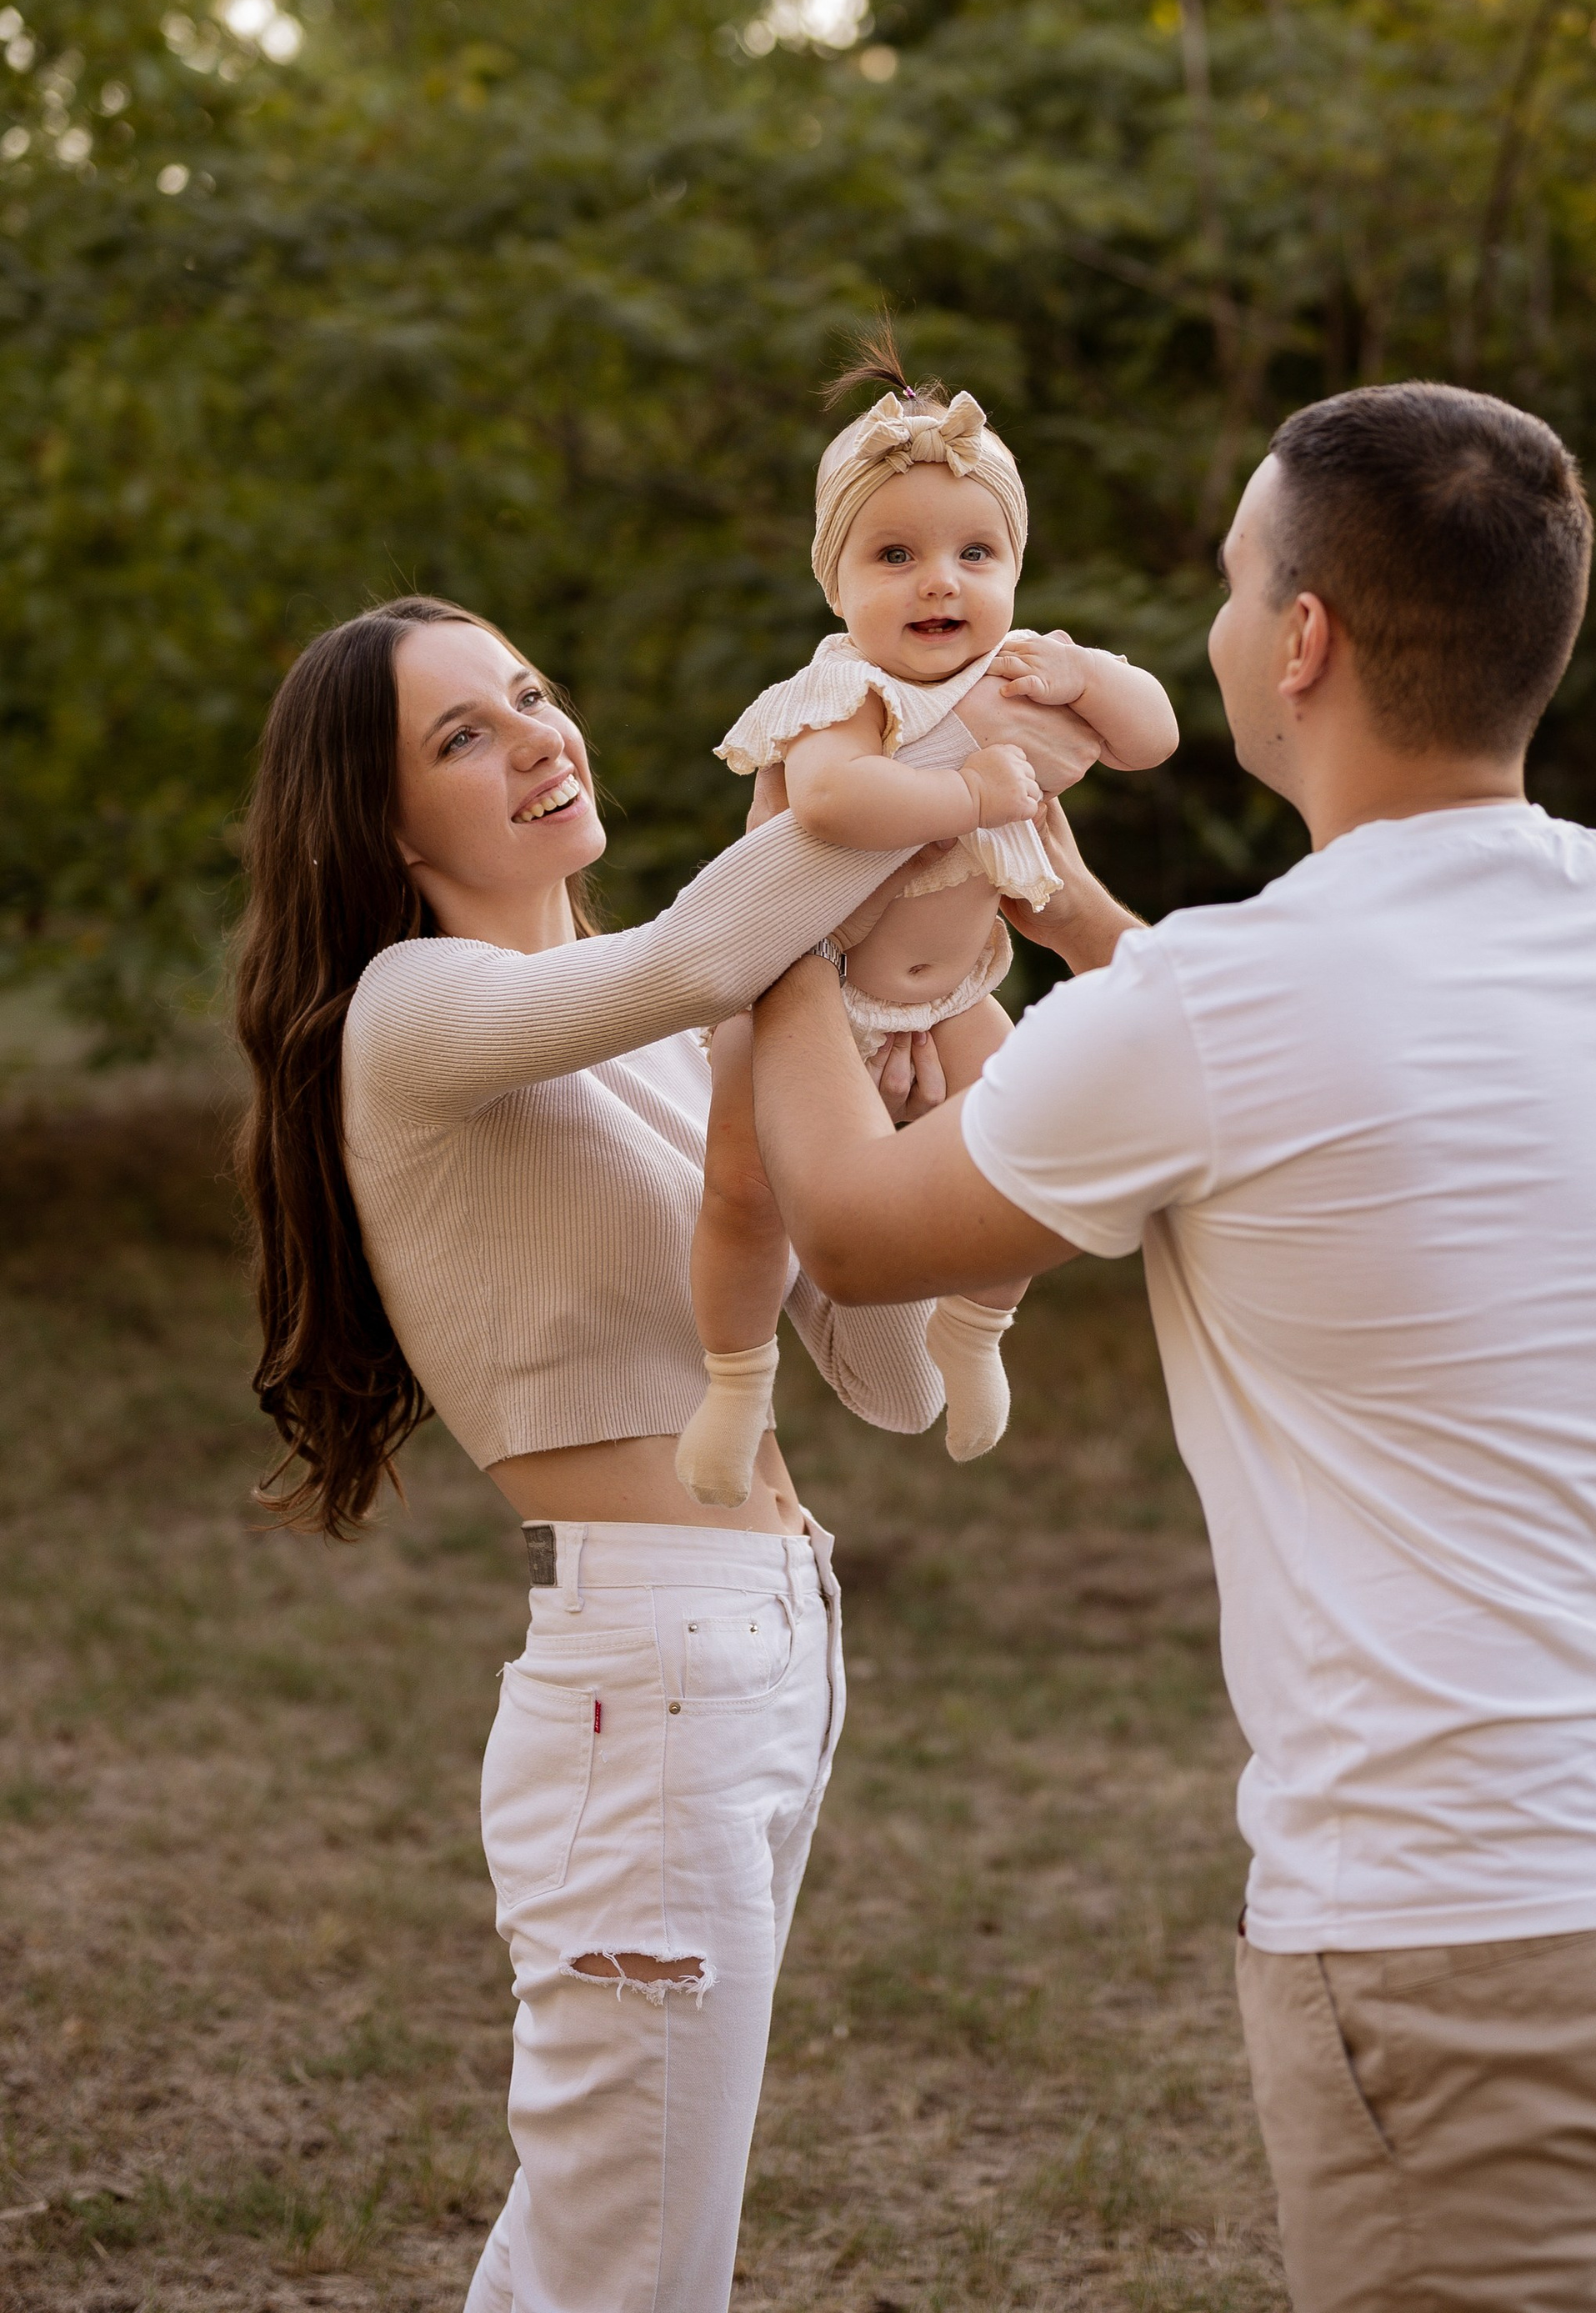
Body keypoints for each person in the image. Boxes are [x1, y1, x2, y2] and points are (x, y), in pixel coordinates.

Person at [746, 383, 1596, 2313]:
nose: (1219, 623)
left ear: (1303, 638)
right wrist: (1079, 924)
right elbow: (1325, 1078)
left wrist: (776, 923)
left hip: (1474, 1945)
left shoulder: (1222, 1004)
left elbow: (848, 1218)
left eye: (1236, 584)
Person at [233, 590, 1094, 2313]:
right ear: (380, 819)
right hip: (650, 1678)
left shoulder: (632, 1025)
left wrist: (929, 1117)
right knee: (634, 2265)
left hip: (763, 1646)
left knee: (603, 2236)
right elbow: (710, 944)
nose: (537, 738)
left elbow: (885, 1384)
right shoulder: (417, 1009)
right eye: (460, 737)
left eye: (532, 695)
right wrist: (911, 762)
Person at [678, 340, 1176, 1504]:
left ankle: (977, 1323)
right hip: (810, 993)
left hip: (956, 993)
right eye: (894, 555)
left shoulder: (1021, 671)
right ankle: (736, 1378)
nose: (938, 583)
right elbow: (835, 803)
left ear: (1013, 566)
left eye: (974, 553)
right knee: (744, 1189)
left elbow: (1149, 735)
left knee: (1033, 1141)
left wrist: (1085, 676)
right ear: (836, 583)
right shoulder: (844, 693)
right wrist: (970, 794)